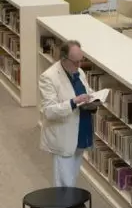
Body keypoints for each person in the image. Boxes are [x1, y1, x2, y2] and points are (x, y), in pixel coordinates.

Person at [39, 40, 94, 187]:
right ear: (63, 59)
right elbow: (49, 111)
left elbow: (87, 92)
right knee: (64, 184)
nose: (79, 66)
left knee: (72, 178)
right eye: (75, 62)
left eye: (81, 61)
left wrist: (93, 100)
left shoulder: (79, 72)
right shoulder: (49, 77)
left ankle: (70, 207)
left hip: (81, 132)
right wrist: (73, 102)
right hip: (63, 136)